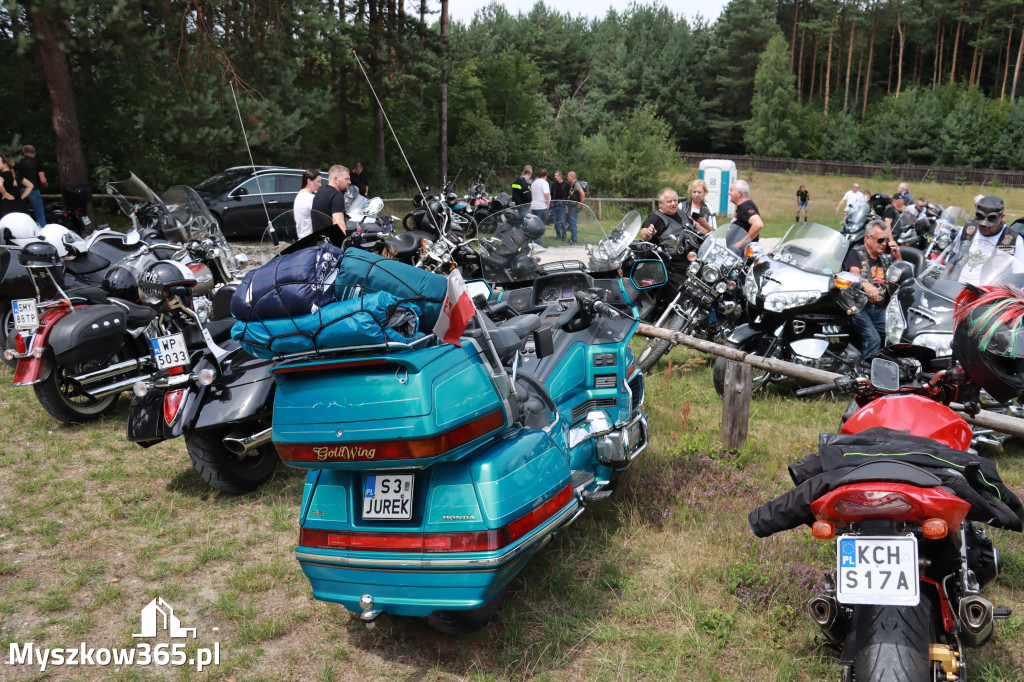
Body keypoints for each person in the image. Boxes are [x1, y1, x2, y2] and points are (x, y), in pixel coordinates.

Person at [842, 219, 902, 360]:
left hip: (880, 308)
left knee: (892, 338)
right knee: (873, 339)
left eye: (886, 240)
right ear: (867, 238)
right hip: (859, 306)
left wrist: (898, 256)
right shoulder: (856, 253)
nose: (884, 244)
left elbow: (899, 272)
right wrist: (865, 283)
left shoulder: (885, 258)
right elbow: (854, 272)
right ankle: (863, 373)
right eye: (880, 240)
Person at [949, 195, 1024, 286]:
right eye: (981, 222)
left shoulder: (1014, 240)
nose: (984, 226)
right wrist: (941, 282)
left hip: (986, 296)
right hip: (954, 291)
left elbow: (1018, 277)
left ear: (1001, 217)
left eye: (989, 224)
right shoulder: (968, 230)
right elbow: (953, 261)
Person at [311, 165, 351, 235]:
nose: (349, 182)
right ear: (335, 179)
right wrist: (346, 244)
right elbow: (339, 224)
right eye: (346, 179)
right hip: (330, 243)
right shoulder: (337, 196)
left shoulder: (320, 192)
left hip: (318, 241)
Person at [14, 145, 47, 227]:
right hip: (33, 190)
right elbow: (42, 179)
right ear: (34, 153)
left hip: (21, 190)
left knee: (25, 215)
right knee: (40, 214)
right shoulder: (37, 162)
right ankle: (43, 232)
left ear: (24, 153)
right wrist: (45, 184)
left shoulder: (19, 163)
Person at [728, 180, 763, 249]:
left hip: (744, 254)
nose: (729, 192)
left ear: (739, 194)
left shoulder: (746, 207)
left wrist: (741, 243)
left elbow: (758, 224)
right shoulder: (742, 207)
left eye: (731, 190)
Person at [0, 154, 33, 218]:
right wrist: (21, 197)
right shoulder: (16, 176)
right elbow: (30, 185)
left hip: (6, 208)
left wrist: (5, 193)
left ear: (5, 164)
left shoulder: (2, 176)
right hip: (20, 206)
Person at [292, 168, 321, 239]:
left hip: (301, 237)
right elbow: (314, 221)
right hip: (310, 240)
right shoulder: (310, 198)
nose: (320, 185)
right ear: (309, 181)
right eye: (318, 182)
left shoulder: (299, 196)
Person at [529, 168, 551, 246]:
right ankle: (538, 242)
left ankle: (533, 241)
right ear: (546, 175)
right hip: (541, 206)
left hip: (534, 205)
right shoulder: (544, 183)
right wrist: (547, 204)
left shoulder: (534, 182)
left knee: (534, 224)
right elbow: (546, 194)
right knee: (541, 225)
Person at [566, 170, 585, 245]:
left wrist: (580, 203)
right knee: (571, 222)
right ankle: (573, 238)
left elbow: (582, 194)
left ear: (571, 177)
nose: (567, 177)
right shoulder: (572, 184)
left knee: (573, 222)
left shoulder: (577, 184)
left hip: (574, 207)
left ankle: (574, 239)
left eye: (568, 176)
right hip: (571, 206)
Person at [550, 170, 569, 240]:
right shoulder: (553, 184)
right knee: (555, 221)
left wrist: (566, 204)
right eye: (555, 175)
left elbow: (568, 195)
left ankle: (564, 236)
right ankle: (558, 235)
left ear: (560, 176)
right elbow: (551, 194)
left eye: (556, 176)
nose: (555, 177)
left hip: (562, 205)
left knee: (563, 221)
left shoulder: (566, 184)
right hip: (555, 205)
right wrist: (551, 202)